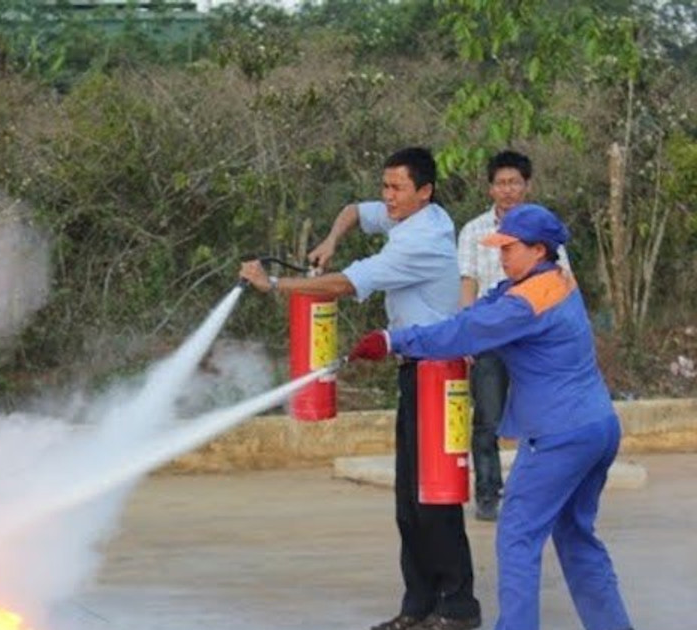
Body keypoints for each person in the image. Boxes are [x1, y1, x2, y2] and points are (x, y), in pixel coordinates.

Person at [349, 204, 633, 630]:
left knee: (518, 538)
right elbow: (481, 312)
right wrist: (459, 330)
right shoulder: (554, 279)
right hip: (598, 426)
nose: (501, 256)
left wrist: (393, 339)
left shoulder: (526, 303)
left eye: (509, 248)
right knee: (576, 537)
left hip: (559, 436)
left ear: (538, 249)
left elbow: (466, 331)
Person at [240, 147, 481, 630]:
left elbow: (343, 287)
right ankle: (417, 607)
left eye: (397, 188)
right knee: (409, 500)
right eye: (385, 186)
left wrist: (273, 285)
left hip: (440, 374)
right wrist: (331, 239)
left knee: (436, 496)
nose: (387, 197)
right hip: (416, 371)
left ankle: (457, 607)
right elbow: (354, 209)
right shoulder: (413, 217)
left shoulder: (423, 242)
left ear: (425, 191)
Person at [457, 150, 571, 522]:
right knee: (487, 417)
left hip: (535, 339)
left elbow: (563, 282)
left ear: (527, 186)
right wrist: (468, 335)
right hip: (491, 336)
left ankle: (537, 492)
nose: (508, 190)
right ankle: (488, 494)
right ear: (490, 188)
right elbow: (468, 284)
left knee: (541, 416)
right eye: (501, 183)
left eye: (515, 183)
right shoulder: (474, 231)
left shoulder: (544, 228)